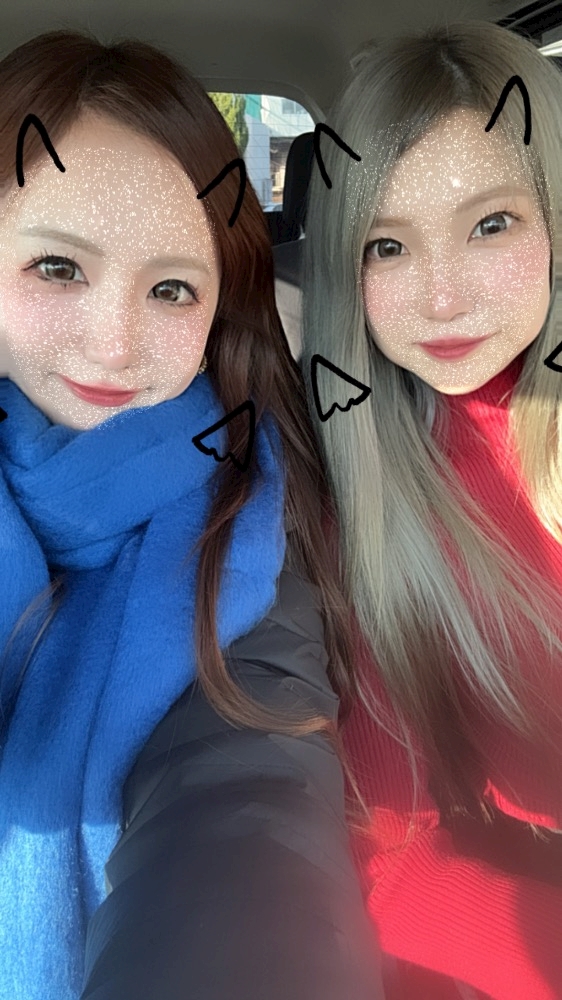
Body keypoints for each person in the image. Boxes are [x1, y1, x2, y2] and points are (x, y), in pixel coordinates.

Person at [0, 30, 385, 1000]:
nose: (114, 343)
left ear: (219, 310)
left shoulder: (249, 529)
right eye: (58, 268)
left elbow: (246, 791)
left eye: (172, 287)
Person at [301, 18, 562, 1000]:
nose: (442, 298)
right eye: (387, 245)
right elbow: (385, 858)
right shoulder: (362, 509)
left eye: (490, 224)